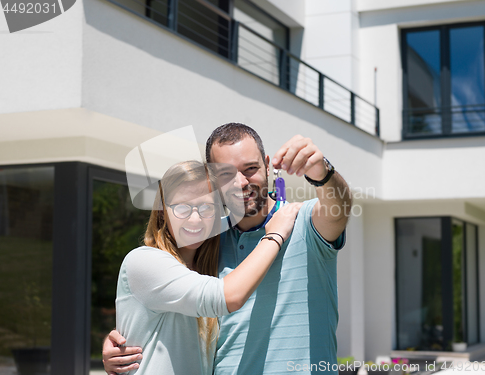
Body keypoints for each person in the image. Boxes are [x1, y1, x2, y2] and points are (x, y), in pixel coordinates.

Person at [103, 124, 352, 375]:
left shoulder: (301, 219)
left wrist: (323, 173)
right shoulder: (206, 241)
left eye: (251, 169)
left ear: (267, 165)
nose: (241, 182)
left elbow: (339, 207)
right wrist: (127, 339)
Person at [114, 160, 302, 375]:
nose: (195, 219)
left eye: (206, 208)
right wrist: (275, 235)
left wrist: (269, 204)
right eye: (182, 207)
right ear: (162, 212)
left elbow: (232, 219)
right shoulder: (144, 262)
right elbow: (229, 296)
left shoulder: (205, 268)